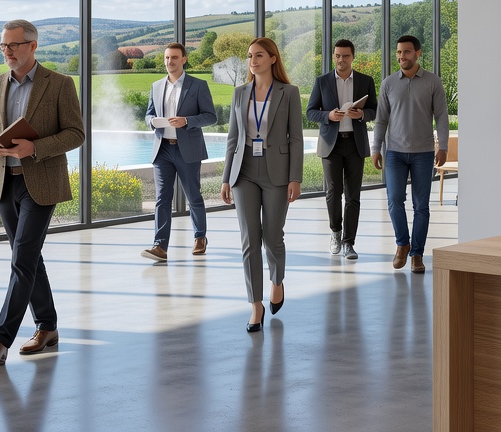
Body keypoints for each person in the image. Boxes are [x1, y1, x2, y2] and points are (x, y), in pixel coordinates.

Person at [0, 20, 85, 364]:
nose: (7, 51)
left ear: (33, 46)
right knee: (29, 257)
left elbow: (76, 134)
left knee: (21, 258)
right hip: (5, 183)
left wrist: (33, 148)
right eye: (3, 46)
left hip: (42, 182)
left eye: (14, 45)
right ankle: (48, 327)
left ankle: (0, 340)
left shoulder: (60, 84)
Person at [220, 37, 303, 332]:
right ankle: (255, 305)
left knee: (272, 236)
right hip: (244, 173)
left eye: (258, 55)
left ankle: (277, 280)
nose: (252, 61)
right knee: (249, 240)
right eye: (249, 56)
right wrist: (227, 177)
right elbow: (233, 139)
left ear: (272, 59)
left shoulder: (289, 93)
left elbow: (296, 138)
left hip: (277, 172)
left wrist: (296, 177)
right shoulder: (240, 93)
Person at [371, 35, 448, 274]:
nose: (401, 56)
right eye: (398, 52)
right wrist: (375, 148)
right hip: (394, 152)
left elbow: (442, 116)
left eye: (406, 52)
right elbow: (381, 119)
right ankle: (402, 244)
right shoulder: (388, 83)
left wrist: (442, 146)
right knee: (394, 200)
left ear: (418, 53)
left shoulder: (433, 82)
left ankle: (417, 254)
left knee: (421, 205)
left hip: (423, 153)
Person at [141, 42, 218, 261]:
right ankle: (160, 246)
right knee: (161, 199)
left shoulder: (198, 85)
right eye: (166, 58)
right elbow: (148, 114)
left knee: (194, 196)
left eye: (174, 57)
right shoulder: (156, 86)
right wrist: (152, 122)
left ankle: (200, 237)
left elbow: (211, 116)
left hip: (188, 150)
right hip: (162, 149)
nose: (169, 62)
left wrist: (186, 121)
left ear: (184, 59)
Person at [305, 39, 377, 261]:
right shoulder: (322, 81)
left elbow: (375, 110)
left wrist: (362, 115)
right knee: (333, 193)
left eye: (345, 56)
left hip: (355, 143)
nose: (340, 60)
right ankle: (335, 232)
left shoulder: (366, 81)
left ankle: (349, 243)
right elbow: (310, 112)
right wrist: (328, 115)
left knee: (353, 196)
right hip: (331, 145)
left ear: (353, 57)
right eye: (337, 55)